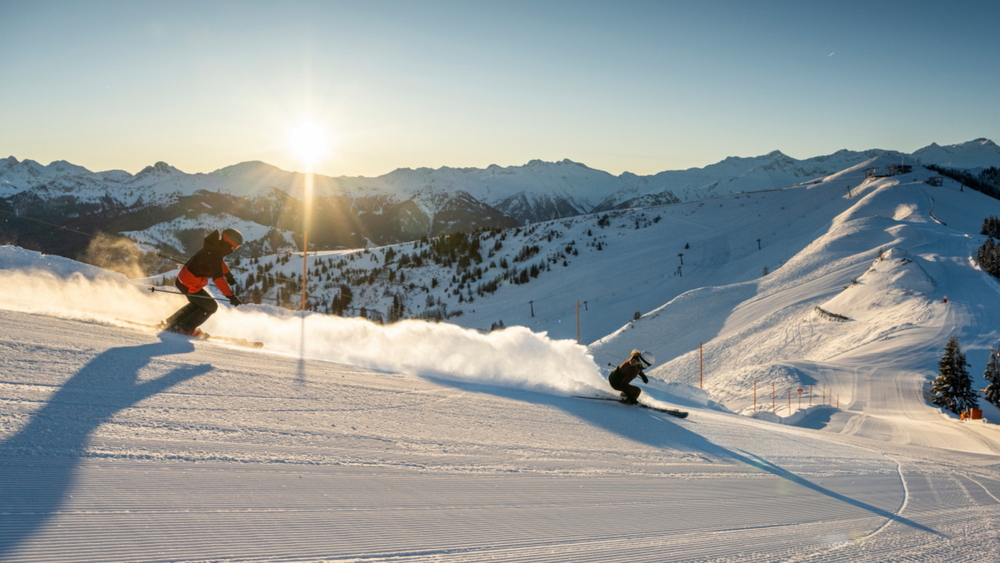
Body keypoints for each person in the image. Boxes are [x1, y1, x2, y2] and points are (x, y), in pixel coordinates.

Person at [164, 228, 244, 336]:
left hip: (185, 281)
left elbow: (219, 262)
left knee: (199, 304)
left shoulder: (214, 247)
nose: (234, 249)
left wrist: (228, 276)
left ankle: (174, 322)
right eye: (234, 246)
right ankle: (184, 328)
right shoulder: (214, 253)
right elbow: (218, 279)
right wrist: (230, 296)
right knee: (211, 306)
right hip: (189, 284)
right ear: (228, 244)